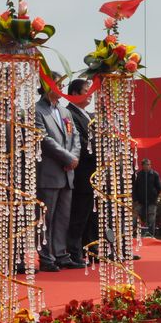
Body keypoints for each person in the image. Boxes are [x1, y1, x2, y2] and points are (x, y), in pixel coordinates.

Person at [35, 77, 82, 272]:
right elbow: (44, 139)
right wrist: (67, 158)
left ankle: (61, 254)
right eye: (58, 85)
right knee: (46, 218)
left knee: (63, 217)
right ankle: (46, 257)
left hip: (67, 172)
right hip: (49, 171)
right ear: (47, 86)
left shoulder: (65, 111)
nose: (61, 88)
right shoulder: (36, 110)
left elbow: (75, 136)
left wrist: (74, 157)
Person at [65, 79, 96, 266]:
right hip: (81, 171)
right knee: (78, 214)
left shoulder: (88, 114)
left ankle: (91, 249)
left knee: (90, 214)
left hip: (92, 172)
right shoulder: (69, 113)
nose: (90, 94)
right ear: (75, 94)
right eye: (86, 91)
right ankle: (74, 252)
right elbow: (80, 143)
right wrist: (101, 149)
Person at [132, 158, 161, 237]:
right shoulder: (139, 175)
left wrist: (154, 195)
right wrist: (135, 199)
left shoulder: (155, 174)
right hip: (140, 201)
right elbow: (135, 188)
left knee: (151, 219)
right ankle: (131, 234)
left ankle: (151, 235)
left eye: (149, 164)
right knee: (134, 217)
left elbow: (159, 187)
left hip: (152, 202)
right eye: (147, 164)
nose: (148, 166)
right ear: (143, 165)